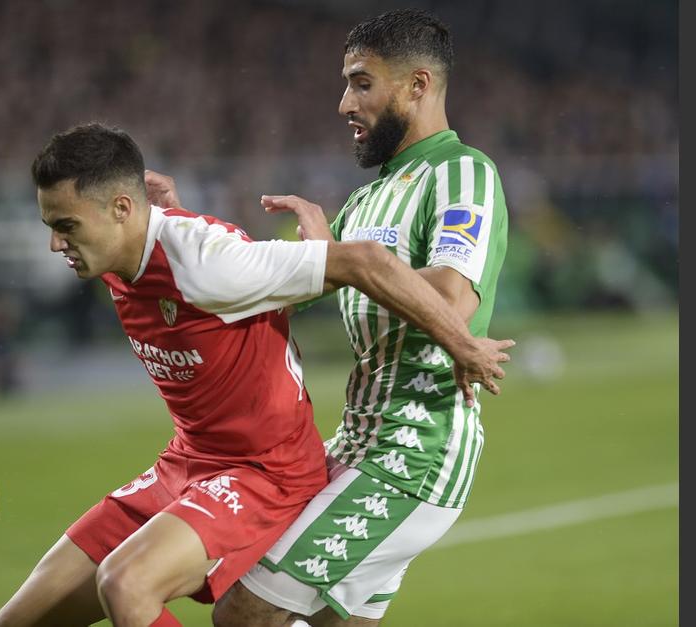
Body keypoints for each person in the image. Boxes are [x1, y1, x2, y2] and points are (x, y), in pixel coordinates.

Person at [0, 122, 512, 627]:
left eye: (66, 227)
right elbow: (160, 235)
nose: (56, 245)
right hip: (186, 463)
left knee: (126, 585)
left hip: (264, 471)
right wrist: (160, 211)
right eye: (51, 226)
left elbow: (367, 261)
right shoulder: (121, 245)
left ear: (122, 210)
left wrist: (462, 343)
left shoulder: (208, 264)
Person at [150, 8, 511, 626]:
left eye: (362, 83)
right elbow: (277, 284)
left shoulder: (462, 173)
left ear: (418, 85)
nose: (345, 103)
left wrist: (340, 262)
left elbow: (451, 297)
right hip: (353, 441)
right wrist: (183, 230)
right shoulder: (369, 199)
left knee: (244, 610)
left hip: (414, 450)